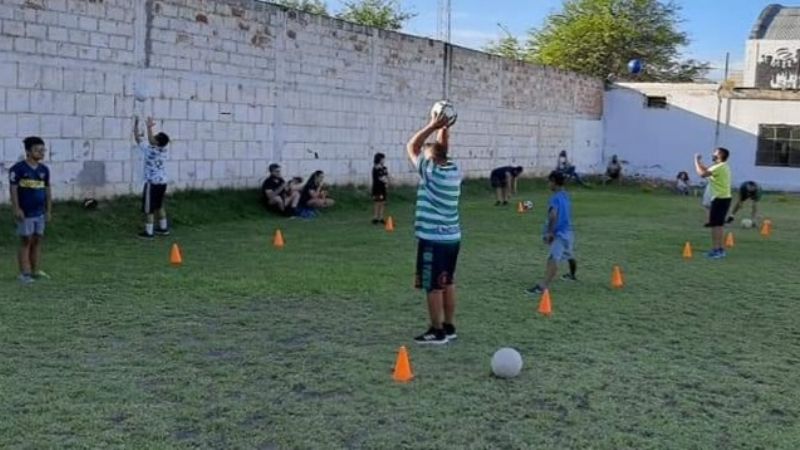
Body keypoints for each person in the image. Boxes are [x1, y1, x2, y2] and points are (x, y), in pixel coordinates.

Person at [406, 112, 462, 345]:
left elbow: (412, 145)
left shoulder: (430, 172)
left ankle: (436, 331)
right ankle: (448, 326)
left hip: (433, 240)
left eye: (427, 154)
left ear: (431, 158)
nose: (424, 155)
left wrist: (432, 124)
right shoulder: (453, 170)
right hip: (452, 239)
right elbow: (442, 149)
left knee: (433, 287)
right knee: (447, 282)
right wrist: (444, 127)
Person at [9, 136, 52, 284]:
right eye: (37, 150)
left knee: (37, 240)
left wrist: (48, 210)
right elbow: (13, 190)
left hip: (39, 212)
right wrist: (17, 208)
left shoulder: (44, 170)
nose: (41, 153)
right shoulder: (18, 169)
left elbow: (47, 190)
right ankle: (24, 273)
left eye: (43, 150)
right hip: (25, 213)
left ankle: (35, 270)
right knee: (25, 241)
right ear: (28, 152)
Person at [527, 171, 577, 295]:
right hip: (569, 231)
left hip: (559, 233)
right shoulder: (566, 195)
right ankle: (571, 275)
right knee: (569, 255)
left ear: (554, 182)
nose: (548, 184)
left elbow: (553, 215)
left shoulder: (554, 198)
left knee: (553, 258)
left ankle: (542, 286)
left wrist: (550, 232)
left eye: (549, 182)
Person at [133, 116, 170, 239]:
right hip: (162, 183)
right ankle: (163, 228)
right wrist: (147, 128)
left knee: (149, 208)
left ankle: (149, 233)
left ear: (157, 142)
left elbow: (140, 139)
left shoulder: (150, 150)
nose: (153, 138)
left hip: (152, 184)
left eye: (156, 138)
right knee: (159, 205)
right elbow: (151, 140)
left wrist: (139, 127)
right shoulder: (163, 150)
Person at [694, 148, 732, 259]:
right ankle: (719, 249)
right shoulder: (721, 166)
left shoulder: (719, 167)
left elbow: (702, 174)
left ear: (720, 155)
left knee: (716, 226)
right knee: (718, 225)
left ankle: (717, 250)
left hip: (720, 199)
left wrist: (696, 161)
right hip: (723, 198)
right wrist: (700, 162)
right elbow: (707, 170)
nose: (712, 154)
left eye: (715, 153)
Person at [371, 153, 389, 224]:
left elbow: (386, 175)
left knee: (383, 202)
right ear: (379, 159)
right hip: (377, 188)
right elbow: (381, 177)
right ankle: (375, 218)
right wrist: (386, 180)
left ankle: (381, 218)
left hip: (383, 188)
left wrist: (387, 182)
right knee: (377, 202)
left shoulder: (384, 168)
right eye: (383, 159)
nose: (384, 160)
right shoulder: (375, 168)